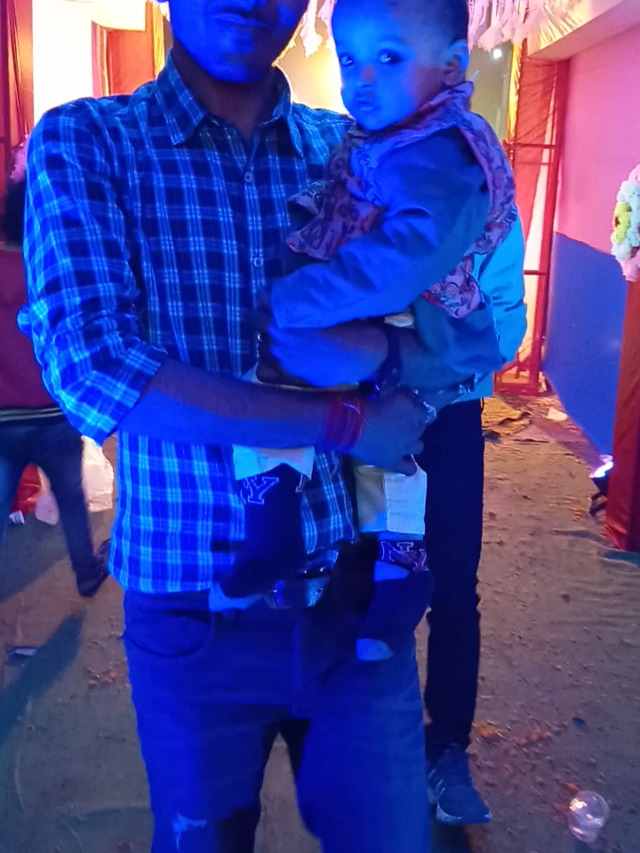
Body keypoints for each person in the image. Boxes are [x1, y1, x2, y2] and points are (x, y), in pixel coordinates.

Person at [19, 0, 493, 849]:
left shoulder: (355, 148)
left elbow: (468, 333)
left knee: (389, 837)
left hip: (354, 601)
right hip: (193, 606)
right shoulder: (88, 142)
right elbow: (95, 369)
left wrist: (387, 357)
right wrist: (344, 421)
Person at [258, 0, 527, 829]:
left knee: (450, 575)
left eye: (387, 59)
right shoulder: (367, 142)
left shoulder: (448, 153)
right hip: (375, 383)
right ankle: (366, 718)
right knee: (368, 545)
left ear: (450, 66)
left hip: (445, 394)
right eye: (349, 60)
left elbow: (458, 303)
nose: (360, 81)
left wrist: (310, 308)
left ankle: (446, 746)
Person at [0, 168, 109, 597]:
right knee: (72, 501)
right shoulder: (53, 273)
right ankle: (86, 572)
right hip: (55, 413)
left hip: (3, 418)